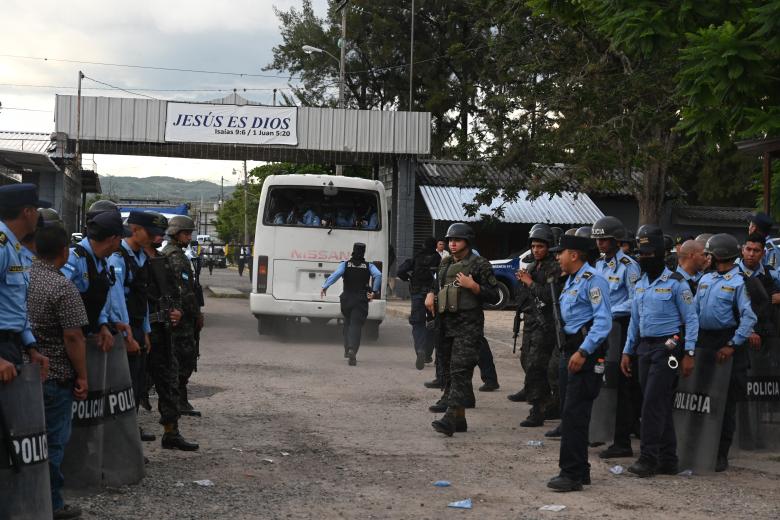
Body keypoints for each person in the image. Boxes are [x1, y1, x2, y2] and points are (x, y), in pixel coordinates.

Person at [620, 232, 698, 477]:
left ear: (661, 256)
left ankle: (648, 458)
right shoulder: (640, 283)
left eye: (649, 254)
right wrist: (626, 351)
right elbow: (635, 321)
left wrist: (690, 352)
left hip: (668, 347)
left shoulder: (676, 283)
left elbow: (691, 320)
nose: (644, 259)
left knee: (652, 402)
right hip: (643, 347)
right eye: (641, 254)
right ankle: (668, 459)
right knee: (658, 402)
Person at [27, 223, 90, 518]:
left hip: (22, 375)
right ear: (64, 252)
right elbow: (73, 337)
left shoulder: (20, 277)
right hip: (55, 377)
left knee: (22, 443)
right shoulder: (62, 286)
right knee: (52, 443)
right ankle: (50, 503)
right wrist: (83, 375)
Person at [546, 234, 612, 492]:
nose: (557, 256)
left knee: (575, 414)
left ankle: (571, 474)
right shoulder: (572, 280)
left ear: (574, 254)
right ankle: (580, 470)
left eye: (560, 252)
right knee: (571, 412)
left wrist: (584, 351)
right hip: (570, 351)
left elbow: (603, 321)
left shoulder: (594, 281)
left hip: (585, 354)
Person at [425, 223, 500, 436]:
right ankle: (460, 419)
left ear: (467, 242)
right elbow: (436, 286)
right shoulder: (445, 263)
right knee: (449, 369)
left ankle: (449, 418)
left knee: (460, 370)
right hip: (446, 324)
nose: (452, 243)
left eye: (457, 240)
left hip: (469, 325)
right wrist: (430, 294)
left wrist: (474, 286)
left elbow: (495, 295)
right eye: (450, 240)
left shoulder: (479, 264)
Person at [694, 233, 757, 472]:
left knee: (725, 401)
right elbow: (696, 313)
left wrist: (732, 345)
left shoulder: (741, 282)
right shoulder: (705, 280)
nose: (707, 257)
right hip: (704, 342)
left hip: (728, 342)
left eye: (710, 253)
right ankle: (698, 445)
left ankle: (721, 452)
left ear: (719, 255)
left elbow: (749, 318)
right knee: (700, 396)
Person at [109, 210, 166, 442]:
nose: (154, 238)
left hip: (138, 329)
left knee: (137, 384)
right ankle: (121, 439)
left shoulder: (141, 256)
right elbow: (116, 299)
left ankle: (130, 432)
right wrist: (128, 335)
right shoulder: (118, 256)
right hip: (124, 329)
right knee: (122, 386)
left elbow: (141, 298)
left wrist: (146, 332)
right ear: (135, 229)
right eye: (150, 233)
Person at [145, 217, 199, 450]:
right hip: (143, 331)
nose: (159, 236)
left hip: (164, 329)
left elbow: (175, 291)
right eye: (154, 232)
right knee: (138, 384)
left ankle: (171, 432)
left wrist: (177, 310)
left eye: (161, 231)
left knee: (169, 380)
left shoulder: (160, 259)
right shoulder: (130, 259)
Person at [591, 216, 642, 459]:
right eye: (598, 239)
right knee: (600, 381)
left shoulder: (629, 266)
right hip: (601, 329)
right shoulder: (598, 265)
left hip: (620, 328)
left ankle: (622, 441)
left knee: (622, 385)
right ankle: (598, 431)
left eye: (604, 239)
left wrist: (609, 311)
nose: (600, 243)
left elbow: (635, 301)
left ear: (615, 240)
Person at [511, 224, 562, 427]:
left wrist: (530, 282)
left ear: (548, 247)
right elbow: (523, 297)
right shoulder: (533, 267)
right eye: (533, 246)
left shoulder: (554, 267)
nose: (536, 250)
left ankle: (538, 408)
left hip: (546, 323)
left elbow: (551, 297)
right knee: (526, 360)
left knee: (537, 366)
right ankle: (546, 400)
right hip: (531, 321)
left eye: (540, 246)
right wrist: (522, 283)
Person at [61, 208, 127, 352]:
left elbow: (100, 300)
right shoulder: (73, 258)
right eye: (120, 240)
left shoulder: (103, 261)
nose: (120, 244)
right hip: (68, 341)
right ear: (112, 239)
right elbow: (58, 298)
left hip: (89, 337)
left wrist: (103, 324)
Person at [0, 183, 50, 371]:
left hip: (12, 344)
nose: (38, 215)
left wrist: (31, 346)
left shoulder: (14, 246)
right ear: (27, 212)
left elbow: (14, 304)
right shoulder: (2, 245)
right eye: (36, 209)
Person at [162, 217, 205, 417]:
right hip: (182, 317)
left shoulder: (172, 253)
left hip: (179, 314)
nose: (189, 237)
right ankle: (177, 401)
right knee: (184, 358)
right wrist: (196, 314)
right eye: (186, 233)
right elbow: (185, 291)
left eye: (189, 233)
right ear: (176, 234)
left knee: (180, 357)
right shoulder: (175, 256)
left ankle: (180, 400)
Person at [321, 243, 382, 366]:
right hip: (361, 300)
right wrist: (374, 292)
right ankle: (352, 349)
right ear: (364, 252)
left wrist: (325, 286)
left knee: (347, 323)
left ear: (353, 251)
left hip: (347, 299)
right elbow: (378, 275)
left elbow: (336, 275)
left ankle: (347, 349)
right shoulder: (369, 266)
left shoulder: (345, 264)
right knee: (356, 325)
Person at [397, 237, 440, 370]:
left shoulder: (417, 257)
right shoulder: (439, 259)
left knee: (418, 323)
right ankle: (427, 354)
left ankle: (420, 350)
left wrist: (408, 278)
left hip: (417, 294)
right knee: (433, 323)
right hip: (433, 295)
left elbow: (400, 271)